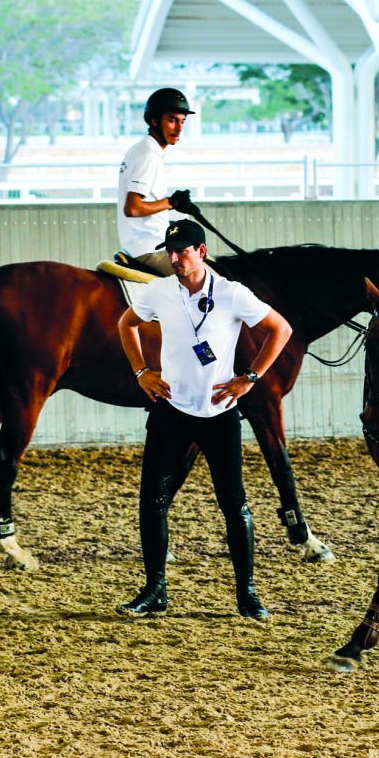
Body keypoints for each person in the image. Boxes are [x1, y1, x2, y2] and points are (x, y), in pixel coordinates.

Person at [115, 219, 292, 620]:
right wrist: (142, 371)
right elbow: (127, 325)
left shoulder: (231, 294)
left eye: (183, 251)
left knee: (235, 505)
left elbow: (280, 329)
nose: (174, 258)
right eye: (170, 251)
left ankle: (247, 594)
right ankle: (154, 590)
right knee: (153, 503)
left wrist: (250, 378)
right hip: (170, 412)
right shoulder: (158, 290)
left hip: (219, 415)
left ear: (202, 252)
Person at [117, 88, 200, 277]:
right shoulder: (148, 155)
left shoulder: (140, 149)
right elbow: (133, 208)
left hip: (144, 243)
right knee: (213, 286)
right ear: (154, 121)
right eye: (172, 120)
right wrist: (172, 203)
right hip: (150, 247)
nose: (179, 128)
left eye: (182, 122)